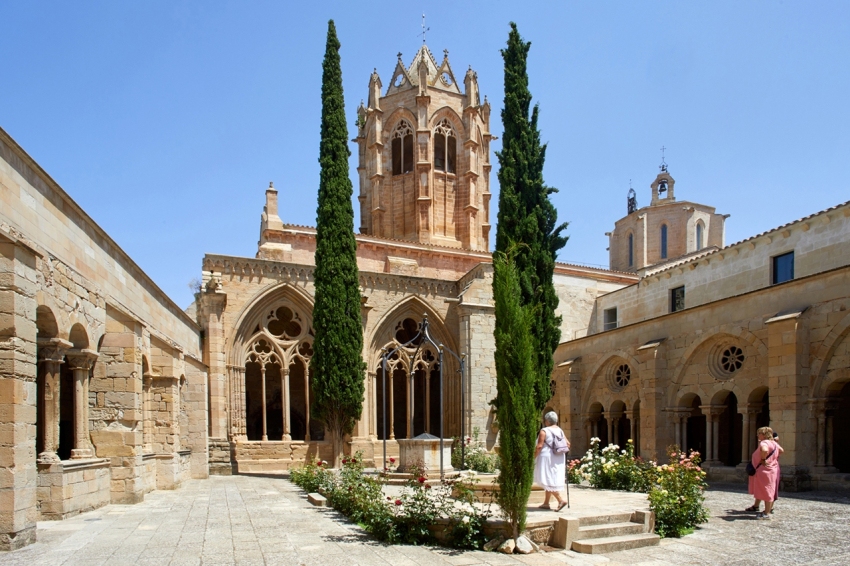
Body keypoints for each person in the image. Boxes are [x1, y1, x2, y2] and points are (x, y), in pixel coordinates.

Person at [533, 411, 569, 511]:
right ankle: (546, 503)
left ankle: (560, 500)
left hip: (547, 457)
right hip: (559, 456)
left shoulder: (544, 431)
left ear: (547, 421)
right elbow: (568, 444)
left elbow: (539, 446)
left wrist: (533, 457)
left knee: (546, 478)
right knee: (551, 478)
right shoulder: (560, 430)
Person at [745, 426, 781, 519]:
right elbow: (781, 450)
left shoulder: (764, 442)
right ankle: (766, 511)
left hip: (764, 470)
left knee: (766, 491)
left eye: (759, 433)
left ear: (764, 435)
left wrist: (763, 459)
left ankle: (766, 513)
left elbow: (764, 450)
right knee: (769, 490)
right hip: (772, 469)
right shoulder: (774, 443)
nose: (757, 435)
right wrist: (773, 460)